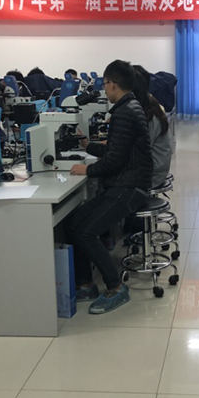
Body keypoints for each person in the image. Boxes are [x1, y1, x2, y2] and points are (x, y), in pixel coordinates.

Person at [65, 60, 153, 315]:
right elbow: (116, 150)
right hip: (124, 182)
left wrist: (88, 170)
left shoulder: (125, 112)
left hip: (130, 187)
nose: (104, 90)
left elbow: (115, 159)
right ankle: (85, 284)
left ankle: (115, 287)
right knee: (73, 224)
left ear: (112, 84)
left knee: (85, 232)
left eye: (104, 85)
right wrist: (88, 146)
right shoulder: (129, 107)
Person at [133, 65, 172, 189]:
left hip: (151, 175)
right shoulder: (150, 104)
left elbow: (137, 150)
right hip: (153, 169)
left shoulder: (147, 113)